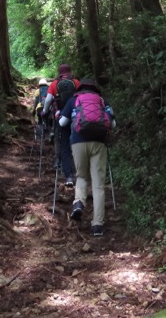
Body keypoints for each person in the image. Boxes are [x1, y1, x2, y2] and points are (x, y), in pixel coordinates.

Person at [58, 77, 116, 237]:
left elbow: (62, 123)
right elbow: (113, 124)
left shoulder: (73, 100)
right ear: (95, 89)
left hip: (78, 142)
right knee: (98, 185)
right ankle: (97, 225)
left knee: (82, 176)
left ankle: (79, 203)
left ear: (81, 87)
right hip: (99, 143)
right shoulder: (102, 101)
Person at [40, 64, 79, 187]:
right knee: (77, 142)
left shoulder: (54, 84)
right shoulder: (76, 83)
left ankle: (67, 173)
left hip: (60, 117)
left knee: (63, 143)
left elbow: (48, 100)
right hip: (76, 118)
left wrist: (45, 112)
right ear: (70, 72)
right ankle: (80, 171)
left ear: (59, 73)